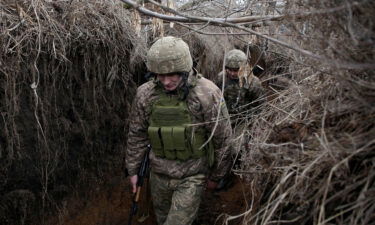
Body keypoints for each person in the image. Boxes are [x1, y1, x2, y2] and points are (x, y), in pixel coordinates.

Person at [125, 36, 232, 225]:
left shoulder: (207, 94)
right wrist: (133, 170)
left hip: (192, 175)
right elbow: (137, 134)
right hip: (158, 175)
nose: (165, 81)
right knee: (162, 219)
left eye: (171, 75)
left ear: (184, 69)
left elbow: (222, 139)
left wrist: (217, 176)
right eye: (160, 75)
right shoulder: (145, 94)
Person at [215, 49, 265, 125]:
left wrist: (253, 123)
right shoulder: (221, 77)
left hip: (244, 120)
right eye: (229, 69)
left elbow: (261, 105)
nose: (232, 73)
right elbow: (215, 97)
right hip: (224, 117)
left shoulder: (253, 82)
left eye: (236, 70)